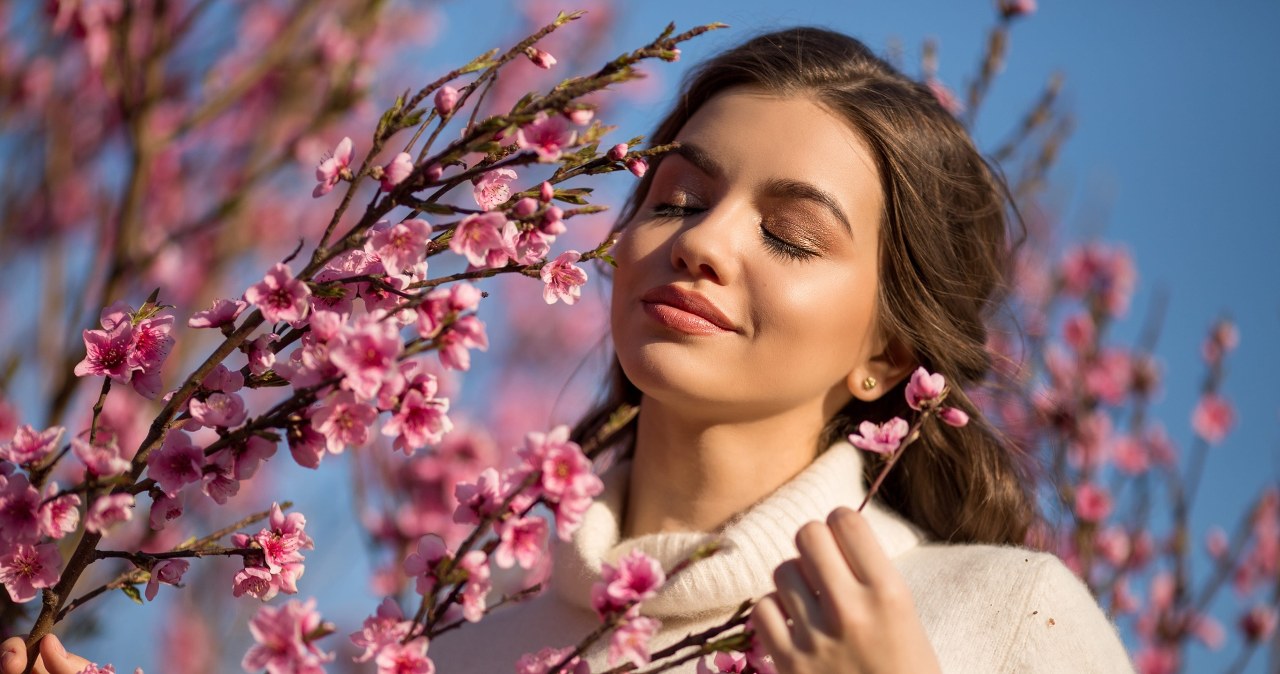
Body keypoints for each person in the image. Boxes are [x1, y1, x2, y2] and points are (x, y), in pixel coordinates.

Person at [2, 26, 1134, 674]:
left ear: (886, 356)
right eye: (679, 197)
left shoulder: (998, 617)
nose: (701, 246)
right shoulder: (457, 648)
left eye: (788, 234)